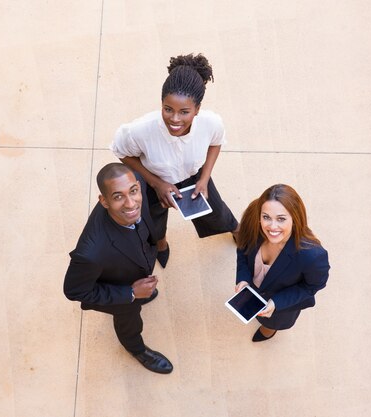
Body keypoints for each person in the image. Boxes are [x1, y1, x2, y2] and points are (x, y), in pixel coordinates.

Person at [110, 53, 239, 268]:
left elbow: (216, 144)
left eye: (184, 112)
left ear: (197, 109)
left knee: (216, 211)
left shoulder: (211, 123)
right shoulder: (139, 130)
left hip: (194, 177)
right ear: (161, 103)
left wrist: (204, 179)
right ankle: (160, 244)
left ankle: (235, 229)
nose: (175, 119)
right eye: (168, 109)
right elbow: (122, 152)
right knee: (153, 220)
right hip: (154, 181)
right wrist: (156, 183)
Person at [63, 163, 173, 374]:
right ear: (104, 201)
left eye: (133, 191)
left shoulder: (138, 183)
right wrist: (131, 293)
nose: (131, 203)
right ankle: (136, 348)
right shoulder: (91, 253)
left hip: (134, 266)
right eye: (118, 197)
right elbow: (74, 291)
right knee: (129, 319)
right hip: (119, 289)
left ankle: (141, 296)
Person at [234, 184, 330, 342]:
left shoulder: (313, 256)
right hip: (252, 291)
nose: (272, 227)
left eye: (281, 219)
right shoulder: (253, 223)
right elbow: (242, 249)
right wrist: (243, 278)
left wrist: (276, 303)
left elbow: (312, 286)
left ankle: (269, 330)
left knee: (271, 322)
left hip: (281, 304)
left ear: (295, 218)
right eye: (266, 217)